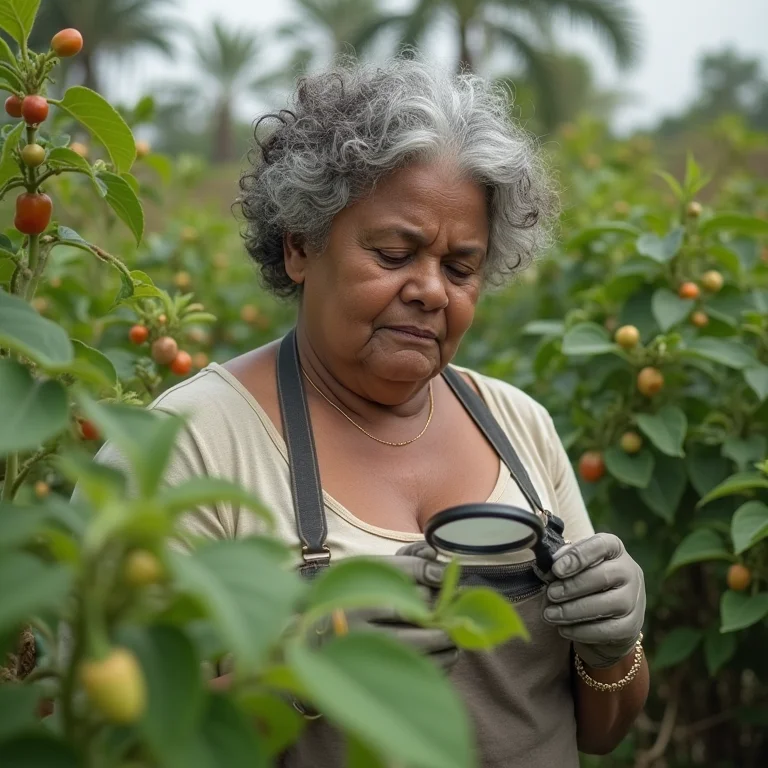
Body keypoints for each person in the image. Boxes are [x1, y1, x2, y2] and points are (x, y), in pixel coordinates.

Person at [88, 57, 648, 766]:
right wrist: (303, 668)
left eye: (460, 267)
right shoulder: (191, 444)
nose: (430, 291)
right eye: (393, 253)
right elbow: (111, 739)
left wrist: (615, 646)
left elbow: (601, 730)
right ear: (300, 246)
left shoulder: (517, 425)